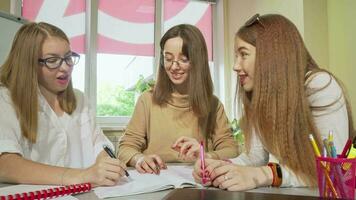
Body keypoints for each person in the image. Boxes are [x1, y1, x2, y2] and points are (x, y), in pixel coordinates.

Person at [193, 14, 355, 190]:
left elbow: (334, 171)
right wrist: (219, 166)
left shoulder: (320, 85)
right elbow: (255, 158)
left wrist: (266, 174)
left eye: (243, 54)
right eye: (236, 56)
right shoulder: (259, 94)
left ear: (271, 55)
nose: (235, 66)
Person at [0, 22, 127, 186]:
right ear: (29, 63)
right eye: (52, 60)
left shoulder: (79, 99)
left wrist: (107, 165)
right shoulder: (6, 98)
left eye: (68, 57)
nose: (66, 67)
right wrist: (81, 176)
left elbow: (99, 144)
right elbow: (5, 164)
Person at [118, 24, 238, 174]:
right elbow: (125, 147)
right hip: (155, 179)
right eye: (168, 59)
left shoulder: (212, 104)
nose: (174, 66)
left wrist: (205, 156)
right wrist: (139, 159)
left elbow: (232, 150)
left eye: (183, 59)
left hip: (197, 181)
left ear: (197, 62)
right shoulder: (147, 100)